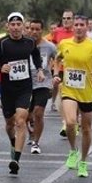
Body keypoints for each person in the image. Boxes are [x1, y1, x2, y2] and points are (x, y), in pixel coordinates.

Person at [53, 15, 92, 178]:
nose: (78, 27)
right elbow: (57, 59)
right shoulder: (65, 44)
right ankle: (73, 150)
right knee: (70, 123)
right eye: (76, 24)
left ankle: (84, 161)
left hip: (87, 92)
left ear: (87, 27)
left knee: (86, 129)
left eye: (81, 25)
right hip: (69, 89)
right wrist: (57, 74)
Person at [0, 12, 43, 175]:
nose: (16, 28)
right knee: (10, 123)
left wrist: (39, 69)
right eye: (13, 25)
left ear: (23, 26)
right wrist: (0, 68)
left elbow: (36, 55)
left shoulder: (30, 42)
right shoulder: (2, 43)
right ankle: (13, 141)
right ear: (8, 26)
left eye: (19, 24)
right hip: (7, 89)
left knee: (21, 120)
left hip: (25, 88)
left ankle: (16, 160)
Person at [27, 19, 56, 155]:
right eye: (32, 29)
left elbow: (58, 60)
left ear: (42, 31)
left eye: (37, 29)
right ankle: (31, 130)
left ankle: (36, 142)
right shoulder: (24, 45)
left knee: (38, 112)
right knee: (25, 115)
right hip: (26, 83)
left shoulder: (50, 47)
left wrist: (55, 75)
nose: (34, 32)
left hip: (43, 83)